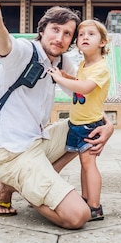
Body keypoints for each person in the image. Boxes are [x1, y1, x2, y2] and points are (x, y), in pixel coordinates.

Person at [0, 0, 114, 229]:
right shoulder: (26, 51)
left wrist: (108, 124)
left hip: (37, 141)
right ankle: (21, 185)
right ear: (43, 30)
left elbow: (86, 96)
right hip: (13, 153)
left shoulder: (61, 62)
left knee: (85, 132)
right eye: (55, 29)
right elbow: (4, 45)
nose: (60, 38)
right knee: (78, 216)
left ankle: (16, 186)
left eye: (68, 33)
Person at [47, 19, 110, 221]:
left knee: (89, 164)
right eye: (81, 35)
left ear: (102, 42)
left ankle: (95, 206)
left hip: (90, 125)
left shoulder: (101, 67)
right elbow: (79, 82)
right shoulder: (84, 64)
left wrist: (59, 79)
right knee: (84, 164)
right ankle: (86, 198)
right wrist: (68, 76)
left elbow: (85, 88)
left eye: (91, 34)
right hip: (78, 123)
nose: (84, 37)